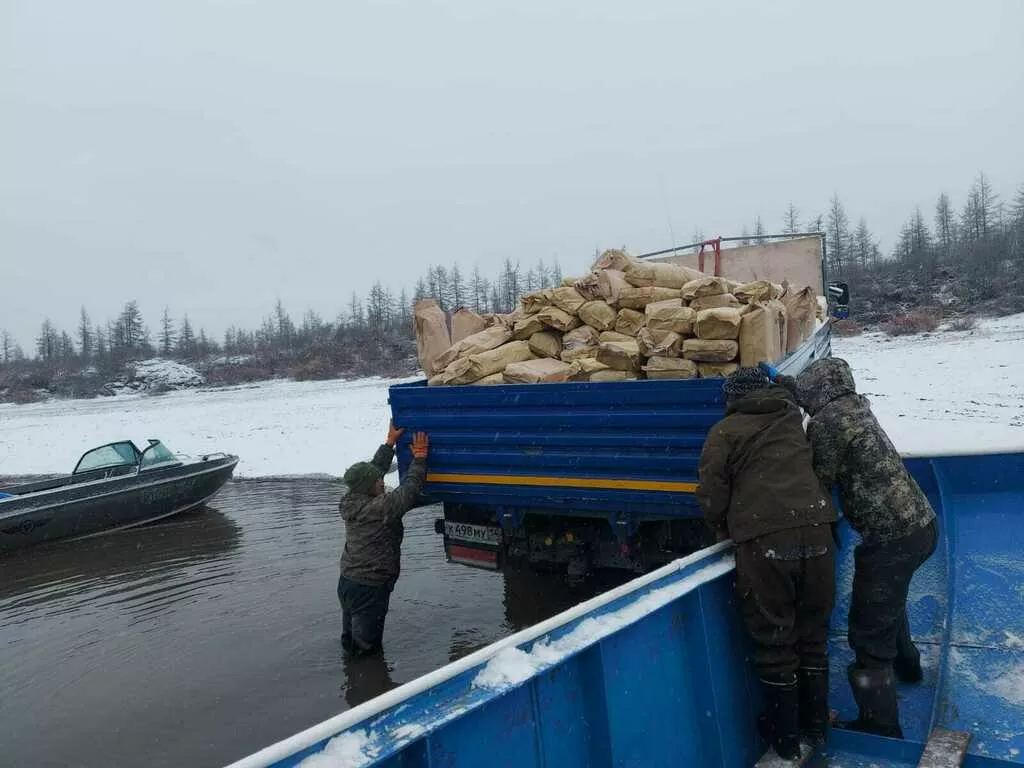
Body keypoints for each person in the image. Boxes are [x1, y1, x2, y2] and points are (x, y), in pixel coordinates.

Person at [770, 357, 938, 738]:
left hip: (891, 540)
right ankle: (909, 667)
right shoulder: (856, 405)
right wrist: (779, 379)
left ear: (818, 390)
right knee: (887, 603)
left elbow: (818, 479)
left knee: (868, 633)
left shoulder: (827, 423)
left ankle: (880, 725)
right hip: (923, 526)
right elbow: (809, 393)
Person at [696, 367, 838, 759]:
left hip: (766, 539)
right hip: (819, 532)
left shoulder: (724, 432)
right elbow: (790, 390)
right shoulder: (791, 417)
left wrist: (721, 526)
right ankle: (817, 727)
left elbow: (711, 491)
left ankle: (785, 738)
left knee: (774, 639)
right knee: (813, 637)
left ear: (732, 398)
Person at [338, 422, 429, 656]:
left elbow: (373, 471)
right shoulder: (378, 508)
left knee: (351, 640)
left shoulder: (352, 499)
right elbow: (409, 491)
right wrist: (419, 459)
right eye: (378, 481)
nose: (382, 481)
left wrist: (389, 444)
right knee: (367, 650)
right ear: (368, 487)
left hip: (349, 582)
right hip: (369, 587)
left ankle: (352, 677)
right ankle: (369, 686)